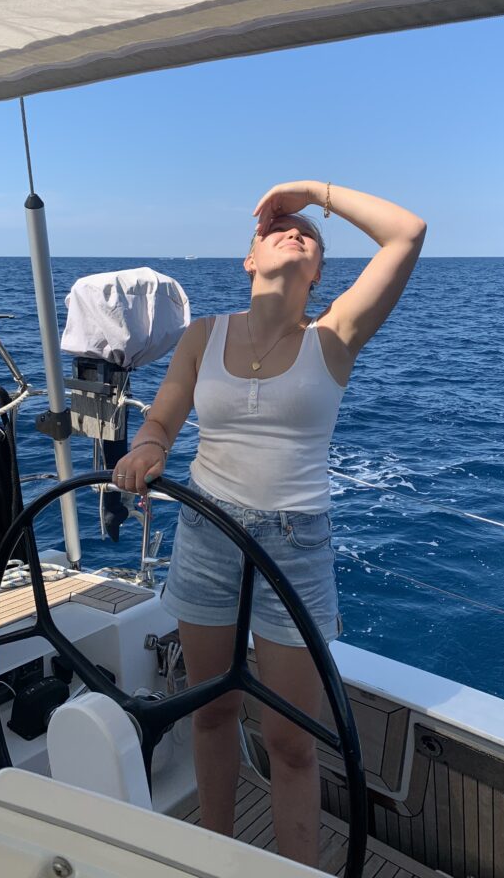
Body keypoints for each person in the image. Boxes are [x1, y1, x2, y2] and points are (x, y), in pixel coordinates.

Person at [113, 180, 426, 866]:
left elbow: (407, 232)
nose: (293, 230)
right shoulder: (203, 334)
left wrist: (312, 192)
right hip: (206, 533)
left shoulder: (334, 334)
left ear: (317, 273)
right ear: (249, 260)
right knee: (212, 711)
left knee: (291, 742)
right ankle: (215, 859)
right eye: (276, 228)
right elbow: (162, 417)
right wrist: (149, 447)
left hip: (295, 546)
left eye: (307, 234)